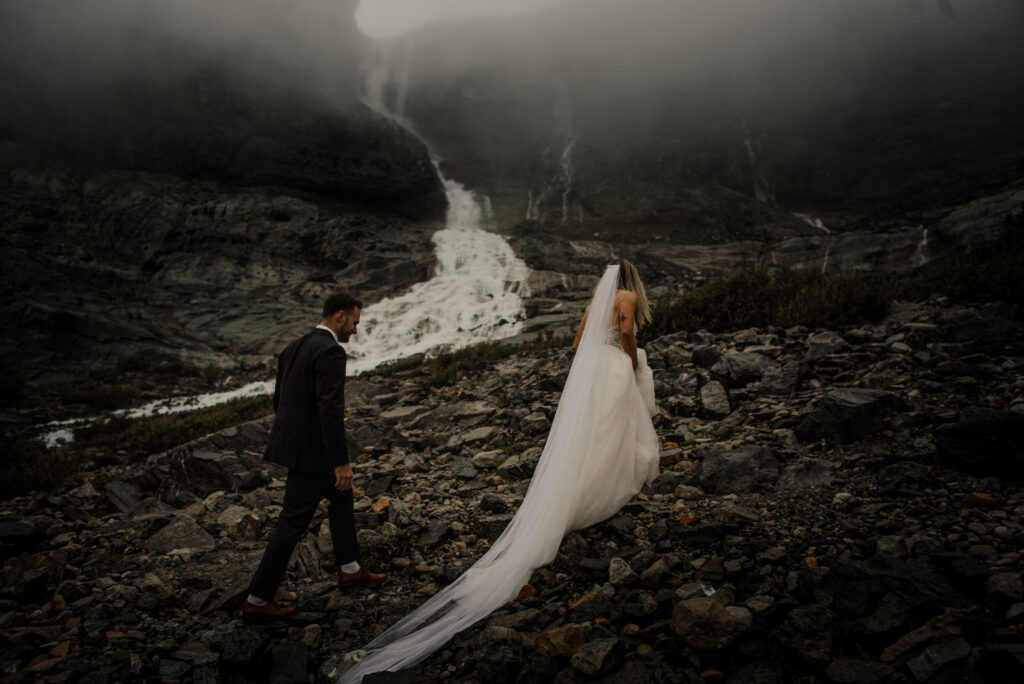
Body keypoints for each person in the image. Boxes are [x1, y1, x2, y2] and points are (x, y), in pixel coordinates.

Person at [339, 260, 659, 681]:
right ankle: (598, 491)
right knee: (611, 432)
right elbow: (630, 333)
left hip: (595, 367)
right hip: (615, 365)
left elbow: (580, 340)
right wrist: (630, 361)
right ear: (631, 279)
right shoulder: (628, 296)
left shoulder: (597, 301)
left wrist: (591, 368)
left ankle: (575, 490)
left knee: (588, 436)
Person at [242, 292, 387, 620]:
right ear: (340, 317)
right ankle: (257, 600)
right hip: (315, 454)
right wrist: (340, 461)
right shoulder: (330, 351)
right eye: (354, 322)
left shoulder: (293, 347)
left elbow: (279, 400)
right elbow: (330, 409)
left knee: (341, 496)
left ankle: (350, 568)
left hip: (300, 448)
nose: (355, 330)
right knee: (292, 522)